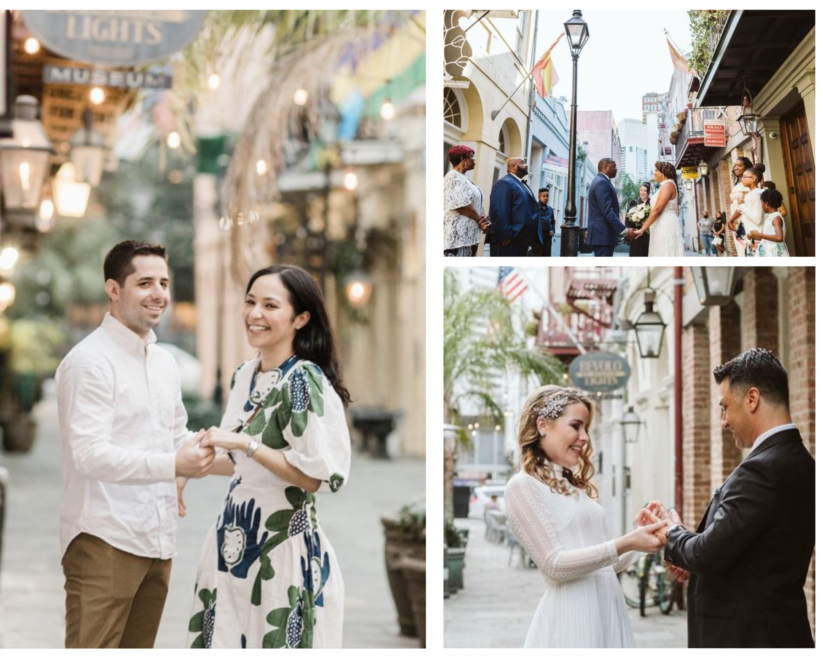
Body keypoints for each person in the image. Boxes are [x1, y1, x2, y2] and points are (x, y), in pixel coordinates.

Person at [183, 264, 351, 648]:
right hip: (232, 543)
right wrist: (193, 465)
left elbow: (311, 477)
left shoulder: (303, 381)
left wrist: (245, 443)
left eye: (270, 305)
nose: (255, 314)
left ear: (300, 318)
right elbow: (243, 466)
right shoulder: (245, 374)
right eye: (250, 302)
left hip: (281, 550)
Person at [56, 241, 214, 649]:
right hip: (104, 539)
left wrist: (233, 449)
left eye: (163, 282)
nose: (159, 293)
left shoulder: (163, 362)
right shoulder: (89, 361)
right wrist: (171, 464)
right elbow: (88, 453)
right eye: (145, 282)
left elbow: (175, 437)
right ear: (113, 288)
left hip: (157, 541)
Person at [644, 349, 814, 648]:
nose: (723, 421)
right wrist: (691, 558)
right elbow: (749, 551)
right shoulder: (800, 461)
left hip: (747, 638)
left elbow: (707, 553)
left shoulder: (763, 469)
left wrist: (671, 531)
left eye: (725, 407)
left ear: (752, 399)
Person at [505, 386, 667, 648]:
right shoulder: (522, 486)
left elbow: (605, 566)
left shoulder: (573, 486)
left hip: (607, 608)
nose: (584, 438)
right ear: (543, 425)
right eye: (576, 426)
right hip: (572, 615)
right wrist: (626, 542)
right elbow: (555, 565)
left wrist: (640, 538)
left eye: (587, 428)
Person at [488, 157, 541, 257]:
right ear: (513, 167)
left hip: (520, 240)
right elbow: (499, 212)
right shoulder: (504, 183)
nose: (526, 165)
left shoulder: (520, 183)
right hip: (508, 241)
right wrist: (505, 236)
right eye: (523, 163)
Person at [629, 161, 684, 257]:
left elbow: (658, 209)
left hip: (665, 225)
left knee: (665, 252)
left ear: (664, 172)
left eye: (656, 170)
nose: (654, 173)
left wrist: (642, 229)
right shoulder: (664, 186)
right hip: (659, 225)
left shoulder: (668, 185)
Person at [444, 145, 490, 257]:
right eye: (472, 157)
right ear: (462, 159)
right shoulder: (452, 177)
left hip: (470, 236)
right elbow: (461, 205)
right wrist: (480, 220)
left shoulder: (464, 178)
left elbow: (476, 202)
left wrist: (484, 218)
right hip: (458, 238)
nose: (474, 160)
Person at [586, 158, 626, 257]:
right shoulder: (602, 183)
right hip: (603, 236)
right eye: (614, 166)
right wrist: (623, 230)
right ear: (605, 167)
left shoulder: (601, 181)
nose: (616, 169)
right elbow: (607, 211)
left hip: (603, 236)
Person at [728, 163, 765, 257]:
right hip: (749, 237)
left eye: (745, 177)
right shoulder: (750, 194)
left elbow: (757, 219)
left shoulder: (756, 194)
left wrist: (742, 206)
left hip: (755, 238)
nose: (742, 179)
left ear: (753, 179)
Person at [751, 188, 790, 257]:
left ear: (767, 204)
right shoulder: (770, 217)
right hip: (768, 250)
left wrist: (760, 235)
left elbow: (779, 237)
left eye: (761, 203)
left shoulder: (776, 218)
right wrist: (753, 235)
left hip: (775, 252)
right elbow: (766, 236)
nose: (761, 206)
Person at [726, 156, 752, 257]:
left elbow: (743, 205)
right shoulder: (737, 184)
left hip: (743, 220)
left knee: (745, 249)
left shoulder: (748, 184)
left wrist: (730, 219)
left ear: (746, 167)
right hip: (736, 221)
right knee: (740, 248)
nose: (736, 168)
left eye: (739, 165)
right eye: (735, 166)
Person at [626, 183, 651, 258]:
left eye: (645, 191)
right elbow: (628, 219)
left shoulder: (652, 203)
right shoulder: (633, 203)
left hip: (649, 235)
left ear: (648, 192)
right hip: (636, 234)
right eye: (641, 190)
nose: (642, 192)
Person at [529, 188, 555, 257]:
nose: (546, 198)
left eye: (547, 196)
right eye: (544, 196)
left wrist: (552, 230)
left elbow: (553, 222)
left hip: (548, 237)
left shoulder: (550, 209)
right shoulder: (534, 208)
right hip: (538, 237)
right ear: (539, 196)